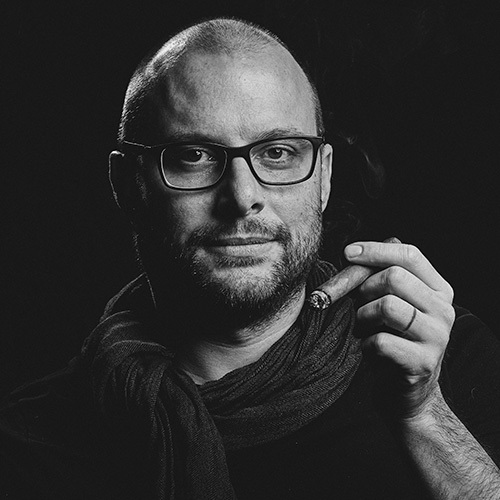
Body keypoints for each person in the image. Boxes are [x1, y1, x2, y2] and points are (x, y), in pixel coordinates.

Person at [1, 17, 500, 500]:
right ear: (127, 186)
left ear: (324, 178)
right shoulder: (30, 445)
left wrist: (424, 416)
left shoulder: (443, 360)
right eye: (194, 155)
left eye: (277, 153)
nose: (242, 198)